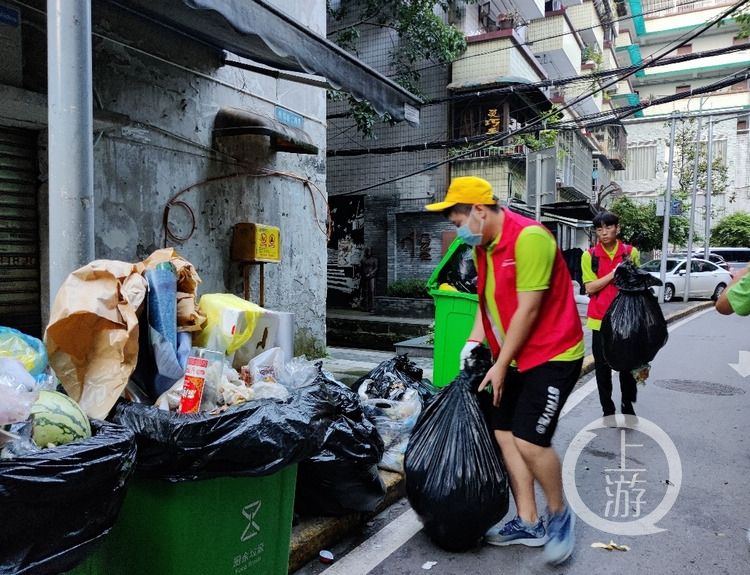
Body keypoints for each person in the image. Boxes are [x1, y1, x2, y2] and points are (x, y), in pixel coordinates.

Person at [425, 176, 584, 565]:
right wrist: (471, 344)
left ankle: (560, 515)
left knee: (530, 440)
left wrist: (498, 364)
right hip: (511, 358)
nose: (457, 230)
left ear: (479, 211)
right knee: (503, 435)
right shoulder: (485, 248)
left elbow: (527, 311)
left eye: (458, 221)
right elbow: (486, 305)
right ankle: (528, 521)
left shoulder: (530, 238)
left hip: (553, 355)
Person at [581, 211, 640, 417]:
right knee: (602, 369)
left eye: (608, 227)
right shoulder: (589, 256)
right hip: (599, 321)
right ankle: (607, 408)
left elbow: (635, 285)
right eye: (599, 229)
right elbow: (590, 288)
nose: (604, 233)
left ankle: (627, 403)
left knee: (627, 366)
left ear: (617, 228)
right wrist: (614, 273)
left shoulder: (630, 253)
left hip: (625, 321)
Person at [360, 246, 379, 313]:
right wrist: (363, 275)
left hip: (371, 277)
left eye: (369, 251)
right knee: (365, 292)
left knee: (372, 291)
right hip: (364, 277)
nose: (368, 252)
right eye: (367, 251)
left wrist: (370, 273)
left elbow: (376, 268)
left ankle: (372, 307)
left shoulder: (374, 259)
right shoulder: (363, 260)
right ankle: (366, 307)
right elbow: (361, 268)